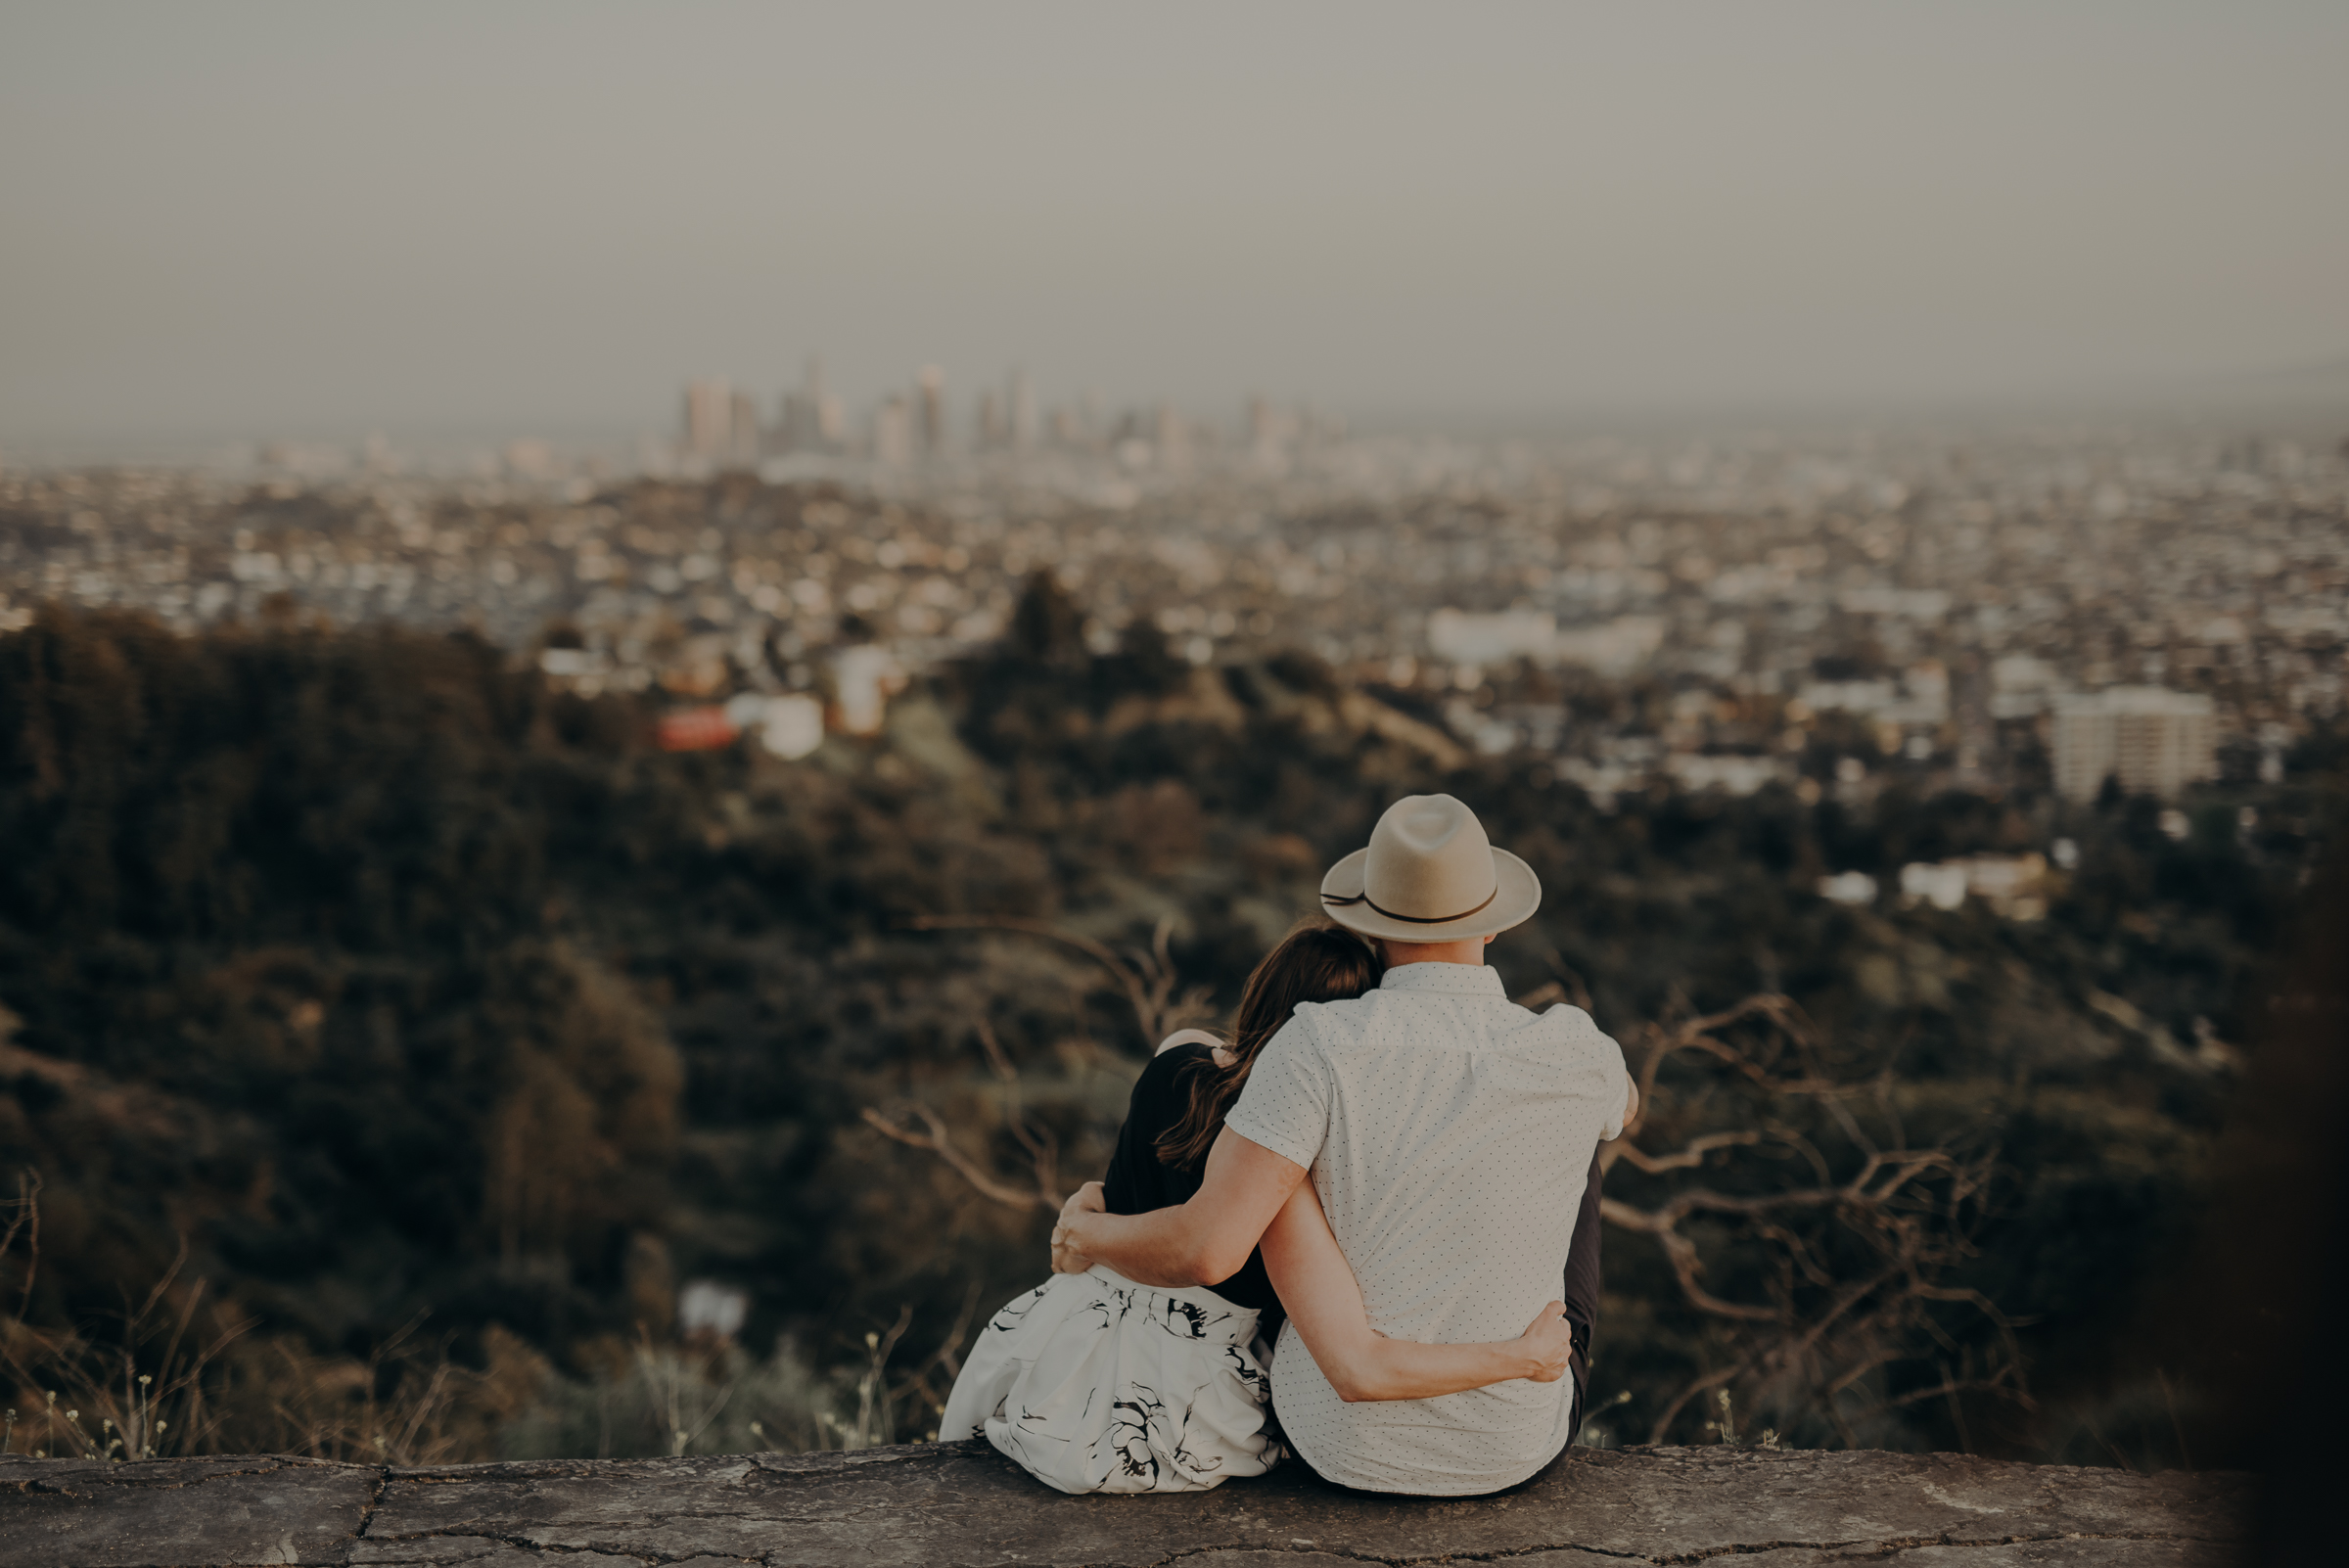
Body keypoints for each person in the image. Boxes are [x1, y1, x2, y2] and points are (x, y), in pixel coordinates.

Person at [1054, 793, 1636, 1496]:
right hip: (1517, 1445)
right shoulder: (1579, 1050)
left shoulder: (1314, 1046)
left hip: (1338, 1446)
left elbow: (1209, 1249)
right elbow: (1625, 1106)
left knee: (1301, 1147)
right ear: (1490, 928)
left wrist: (1086, 1234)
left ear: (1373, 928)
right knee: (1581, 1137)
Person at [939, 920, 1583, 1495]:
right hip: (1191, 1383)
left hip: (1067, 1335)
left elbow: (1123, 1183)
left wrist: (1086, 1224)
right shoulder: (1292, 1162)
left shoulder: (1177, 1060)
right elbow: (1213, 1255)